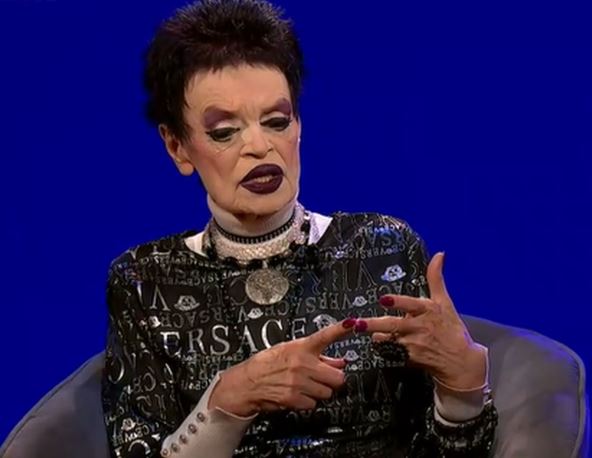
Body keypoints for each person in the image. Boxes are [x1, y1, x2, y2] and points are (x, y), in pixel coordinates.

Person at [101, 0, 498, 456]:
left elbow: (448, 450)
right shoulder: (144, 279)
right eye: (224, 131)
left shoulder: (382, 248)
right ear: (177, 147)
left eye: (277, 121)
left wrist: (464, 387)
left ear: (299, 126)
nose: (259, 146)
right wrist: (228, 400)